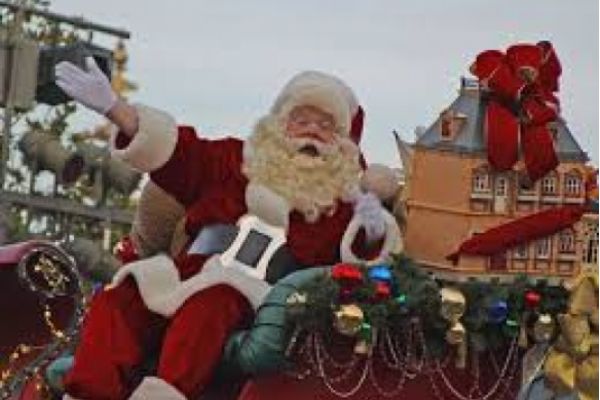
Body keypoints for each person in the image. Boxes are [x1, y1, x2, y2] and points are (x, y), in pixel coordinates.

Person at [55, 58, 400, 400]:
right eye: (302, 120)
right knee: (121, 299)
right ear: (280, 125)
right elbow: (179, 154)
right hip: (185, 275)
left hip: (258, 296)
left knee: (210, 307)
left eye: (325, 125)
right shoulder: (234, 160)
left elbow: (361, 263)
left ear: (342, 141)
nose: (312, 131)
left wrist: (371, 232)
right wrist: (117, 110)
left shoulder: (344, 199)